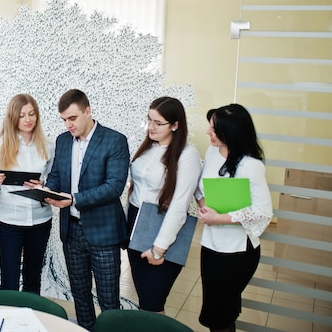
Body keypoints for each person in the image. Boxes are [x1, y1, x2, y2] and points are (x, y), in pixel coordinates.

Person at [42, 89, 130, 331]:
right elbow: (57, 176)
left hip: (103, 232)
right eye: (64, 120)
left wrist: (73, 199)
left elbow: (114, 187)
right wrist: (46, 190)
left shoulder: (114, 140)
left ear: (88, 111)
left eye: (73, 118)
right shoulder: (62, 140)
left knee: (109, 300)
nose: (68, 125)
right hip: (71, 232)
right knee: (80, 296)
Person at [196, 104, 273, 332]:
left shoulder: (250, 165)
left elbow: (262, 211)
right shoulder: (212, 152)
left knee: (220, 314)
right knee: (216, 310)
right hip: (211, 246)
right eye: (209, 127)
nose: (208, 133)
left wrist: (219, 218)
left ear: (232, 131)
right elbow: (200, 189)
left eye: (214, 130)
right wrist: (203, 206)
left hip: (238, 252)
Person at [127, 97, 201, 313]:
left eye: (158, 123)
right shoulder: (148, 148)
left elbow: (179, 206)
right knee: (145, 300)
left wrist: (159, 249)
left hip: (161, 230)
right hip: (136, 224)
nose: (151, 127)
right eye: (149, 120)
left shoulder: (187, 155)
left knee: (153, 302)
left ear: (176, 125)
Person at [0, 94, 55, 294]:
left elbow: (53, 180)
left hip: (40, 220)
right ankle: (9, 321)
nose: (28, 119)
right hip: (9, 219)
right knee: (10, 279)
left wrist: (44, 185)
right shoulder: (0, 145)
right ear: (13, 117)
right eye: (22, 115)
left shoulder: (48, 145)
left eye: (31, 114)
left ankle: (29, 320)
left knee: (33, 277)